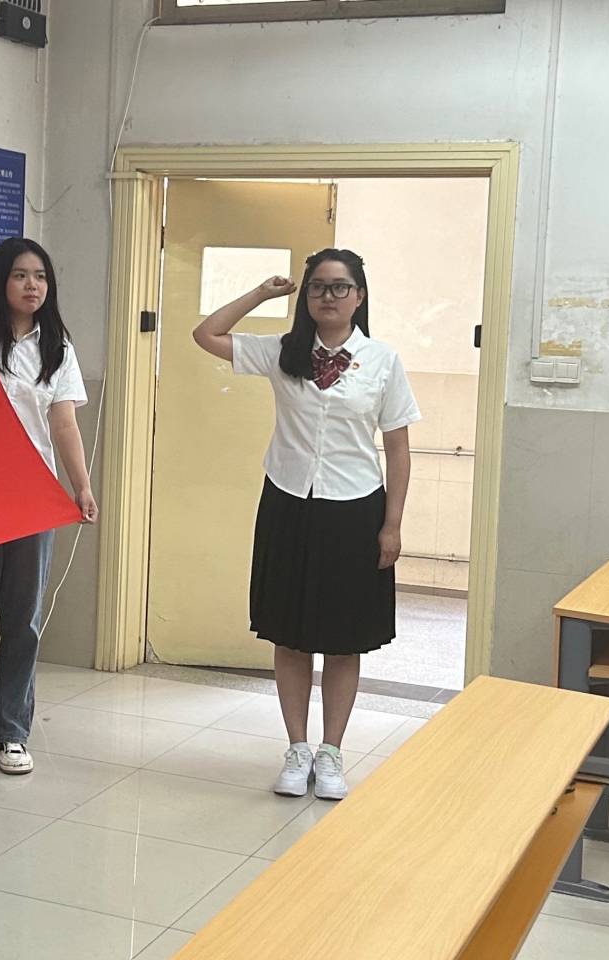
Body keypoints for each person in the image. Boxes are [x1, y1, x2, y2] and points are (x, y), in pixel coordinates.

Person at [192, 248, 419, 801]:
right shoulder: (282, 352)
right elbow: (206, 334)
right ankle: (296, 748)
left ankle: (332, 751)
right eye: (318, 286)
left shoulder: (383, 361)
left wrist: (392, 525)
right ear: (307, 296)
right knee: (290, 635)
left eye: (340, 287)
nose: (328, 296)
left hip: (355, 508)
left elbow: (398, 448)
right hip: (289, 502)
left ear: (359, 296)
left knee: (345, 639)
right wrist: (262, 293)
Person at [0, 237, 96, 776]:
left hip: (34, 501)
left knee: (23, 621)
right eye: (20, 275)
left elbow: (64, 425)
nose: (32, 285)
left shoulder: (57, 348)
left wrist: (81, 486)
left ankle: (13, 732)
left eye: (40, 276)